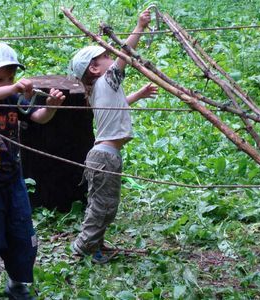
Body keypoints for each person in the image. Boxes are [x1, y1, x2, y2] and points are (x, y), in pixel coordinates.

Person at [0, 42, 65, 300]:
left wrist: (51, 106)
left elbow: (37, 117)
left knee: (22, 233)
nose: (6, 83)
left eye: (10, 77)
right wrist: (13, 87)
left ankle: (17, 283)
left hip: (12, 180)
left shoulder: (12, 99)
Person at [69, 9, 158, 263]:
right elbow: (125, 53)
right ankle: (83, 248)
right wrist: (139, 26)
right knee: (102, 207)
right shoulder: (106, 80)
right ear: (95, 69)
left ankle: (95, 244)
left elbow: (116, 107)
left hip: (105, 156)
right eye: (106, 56)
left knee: (104, 205)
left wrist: (137, 96)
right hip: (105, 158)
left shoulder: (100, 89)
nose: (112, 57)